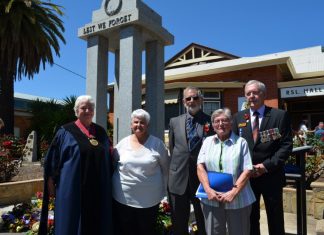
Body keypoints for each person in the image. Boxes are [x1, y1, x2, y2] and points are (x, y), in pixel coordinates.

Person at [39, 95, 113, 235]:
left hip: (99, 190)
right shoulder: (65, 132)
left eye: (90, 108)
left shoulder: (101, 132)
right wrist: (50, 181)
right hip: (73, 190)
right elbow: (53, 159)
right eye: (83, 108)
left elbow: (110, 156)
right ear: (76, 111)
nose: (87, 111)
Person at [232, 80, 293, 235]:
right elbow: (233, 146)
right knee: (251, 217)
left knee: (275, 217)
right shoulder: (238, 118)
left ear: (263, 94)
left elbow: (286, 146)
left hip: (271, 175)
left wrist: (265, 166)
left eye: (255, 92)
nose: (251, 96)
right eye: (248, 93)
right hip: (247, 178)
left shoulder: (279, 115)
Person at [197, 108, 255, 235]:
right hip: (211, 197)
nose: (220, 124)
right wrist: (207, 190)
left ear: (231, 123)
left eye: (224, 120)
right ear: (212, 125)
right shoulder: (207, 142)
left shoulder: (241, 142)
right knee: (213, 232)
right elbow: (200, 166)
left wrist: (233, 192)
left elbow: (247, 169)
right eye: (217, 121)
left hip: (238, 199)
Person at [112, 109, 169, 235]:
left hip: (149, 200)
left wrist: (165, 194)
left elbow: (166, 170)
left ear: (147, 125)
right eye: (136, 122)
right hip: (123, 198)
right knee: (124, 230)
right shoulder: (122, 144)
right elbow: (113, 165)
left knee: (146, 230)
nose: (138, 125)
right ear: (131, 125)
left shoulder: (157, 144)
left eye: (142, 122)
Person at [168, 86, 213, 235]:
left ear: (201, 99)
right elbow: (173, 148)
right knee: (179, 221)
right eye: (188, 98)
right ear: (183, 101)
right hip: (178, 177)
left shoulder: (211, 121)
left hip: (201, 179)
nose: (192, 101)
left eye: (195, 97)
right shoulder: (174, 121)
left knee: (203, 220)